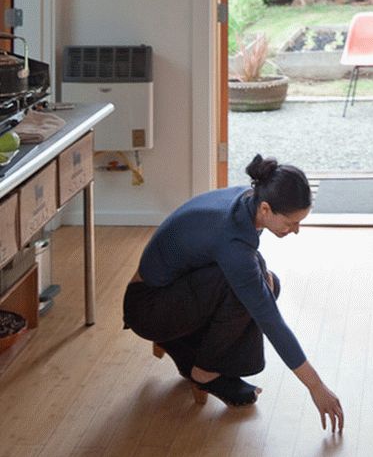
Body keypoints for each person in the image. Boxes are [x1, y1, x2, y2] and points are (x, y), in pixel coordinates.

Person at [123, 154, 344, 431]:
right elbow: (271, 322)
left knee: (267, 282)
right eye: (291, 223)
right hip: (148, 307)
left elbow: (244, 260)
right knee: (251, 292)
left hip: (169, 290)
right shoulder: (232, 236)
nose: (295, 231)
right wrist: (316, 386)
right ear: (266, 209)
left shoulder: (247, 199)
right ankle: (204, 372)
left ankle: (183, 344)